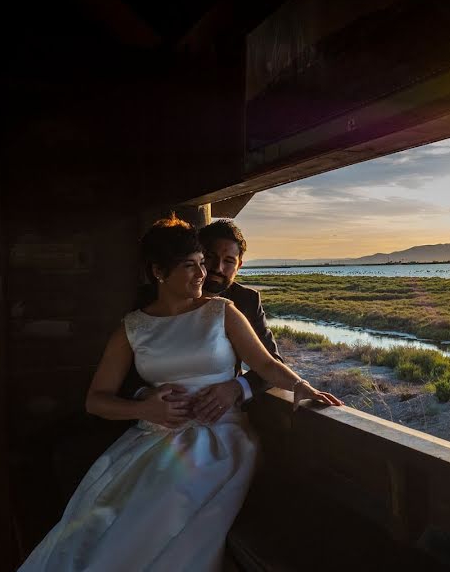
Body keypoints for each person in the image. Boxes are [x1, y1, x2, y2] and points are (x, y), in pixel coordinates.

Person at [19, 215, 343, 571]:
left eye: (202, 264)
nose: (203, 274)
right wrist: (145, 409)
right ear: (159, 271)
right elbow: (96, 400)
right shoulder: (133, 327)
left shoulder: (223, 311)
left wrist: (302, 386)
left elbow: (266, 364)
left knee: (169, 497)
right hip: (155, 437)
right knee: (109, 512)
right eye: (191, 265)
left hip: (221, 436)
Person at [128, 219, 281, 424]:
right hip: (161, 423)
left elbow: (272, 363)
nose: (217, 268)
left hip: (221, 421)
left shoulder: (245, 300)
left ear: (239, 266)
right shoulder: (150, 299)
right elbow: (126, 373)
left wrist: (236, 387)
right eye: (210, 257)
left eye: (229, 261)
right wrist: (147, 398)